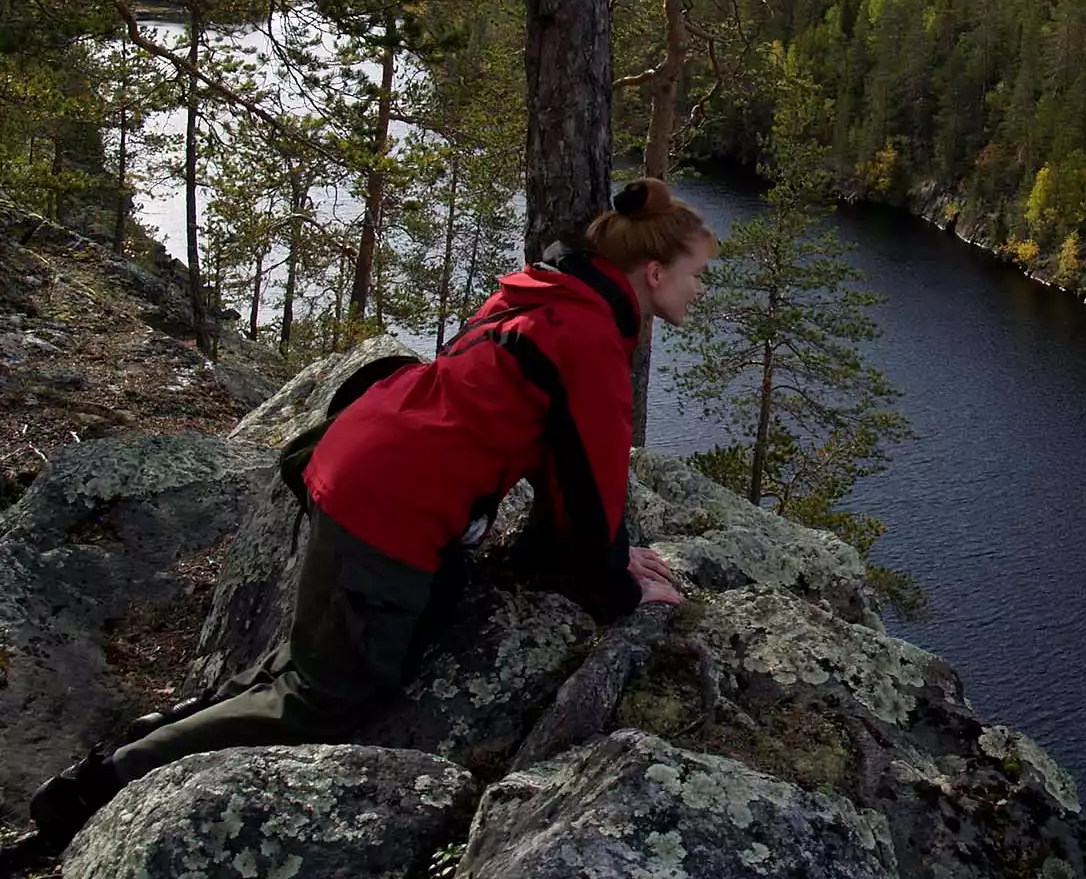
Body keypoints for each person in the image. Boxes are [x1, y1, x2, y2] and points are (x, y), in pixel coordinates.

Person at [17, 178, 714, 854]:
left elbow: (543, 452)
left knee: (326, 657)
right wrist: (617, 584)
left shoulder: (545, 290)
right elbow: (588, 488)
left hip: (361, 457)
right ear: (653, 273)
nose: (699, 290)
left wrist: (596, 549)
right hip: (389, 503)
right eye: (696, 275)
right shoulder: (590, 339)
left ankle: (149, 737)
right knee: (329, 697)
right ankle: (105, 787)